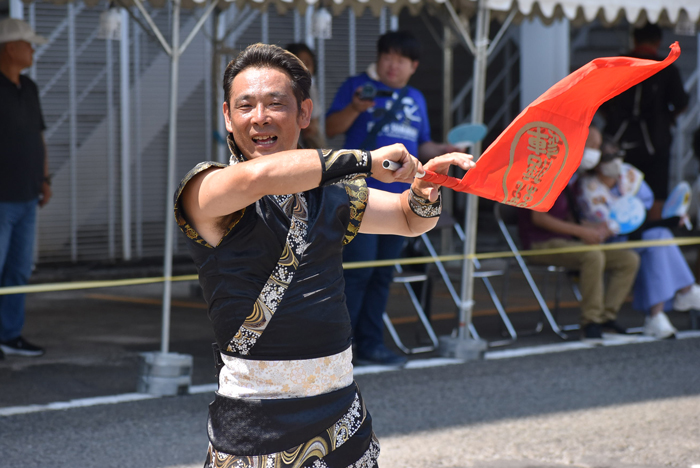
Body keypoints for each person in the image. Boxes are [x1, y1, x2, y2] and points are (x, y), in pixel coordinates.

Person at [175, 43, 473, 468]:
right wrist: (364, 160)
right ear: (227, 115)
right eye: (245, 106)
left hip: (341, 416)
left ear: (304, 114)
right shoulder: (207, 189)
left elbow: (408, 219)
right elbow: (260, 176)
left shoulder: (333, 196)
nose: (259, 117)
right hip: (254, 423)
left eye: (276, 103)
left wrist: (426, 188)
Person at [326, 30, 459, 366]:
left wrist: (442, 151)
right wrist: (356, 108)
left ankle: (371, 344)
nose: (392, 64)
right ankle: (343, 349)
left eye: (400, 59)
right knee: (357, 273)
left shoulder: (416, 98)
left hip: (401, 203)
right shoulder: (356, 85)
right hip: (360, 197)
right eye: (387, 56)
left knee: (383, 274)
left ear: (413, 65)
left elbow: (421, 144)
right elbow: (329, 128)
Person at [518, 127, 640, 341]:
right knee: (593, 256)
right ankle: (591, 321)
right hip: (540, 243)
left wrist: (593, 229)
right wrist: (581, 231)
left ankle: (606, 317)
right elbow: (539, 218)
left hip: (566, 241)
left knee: (628, 259)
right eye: (591, 147)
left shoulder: (571, 177)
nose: (596, 153)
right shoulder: (543, 171)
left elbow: (568, 217)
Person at [577, 135, 700, 339]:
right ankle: (680, 295)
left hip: (637, 237)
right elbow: (612, 226)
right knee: (657, 239)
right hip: (609, 240)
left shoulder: (630, 177)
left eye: (618, 154)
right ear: (597, 163)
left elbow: (644, 212)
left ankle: (657, 314)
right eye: (608, 157)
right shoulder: (588, 189)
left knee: (657, 240)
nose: (615, 161)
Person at [600, 22, 689, 221]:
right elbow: (681, 103)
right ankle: (650, 237)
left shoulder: (616, 65)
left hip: (618, 138)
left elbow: (599, 101)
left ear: (634, 39)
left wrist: (611, 117)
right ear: (658, 41)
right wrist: (668, 119)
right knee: (656, 193)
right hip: (655, 139)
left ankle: (617, 235)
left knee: (616, 187)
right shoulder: (667, 69)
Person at [0, 18, 51, 359]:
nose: (33, 50)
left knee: (18, 270)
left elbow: (38, 137)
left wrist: (45, 179)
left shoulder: (29, 87)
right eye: (28, 44)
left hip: (26, 195)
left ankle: (9, 335)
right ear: (9, 48)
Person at [285, 43, 327, 149]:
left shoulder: (311, 87)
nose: (305, 68)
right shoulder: (285, 86)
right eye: (300, 63)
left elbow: (314, 121)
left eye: (308, 63)